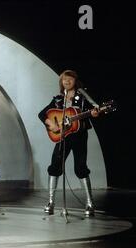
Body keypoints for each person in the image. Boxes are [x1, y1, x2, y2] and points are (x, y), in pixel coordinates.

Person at [38, 70, 100, 217]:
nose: (67, 81)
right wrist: (51, 125)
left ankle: (90, 204)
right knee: (55, 166)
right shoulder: (58, 99)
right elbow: (42, 114)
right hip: (63, 137)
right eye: (64, 80)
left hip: (79, 136)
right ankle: (51, 202)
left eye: (69, 79)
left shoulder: (82, 96)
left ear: (74, 81)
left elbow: (93, 109)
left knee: (80, 167)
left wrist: (95, 112)